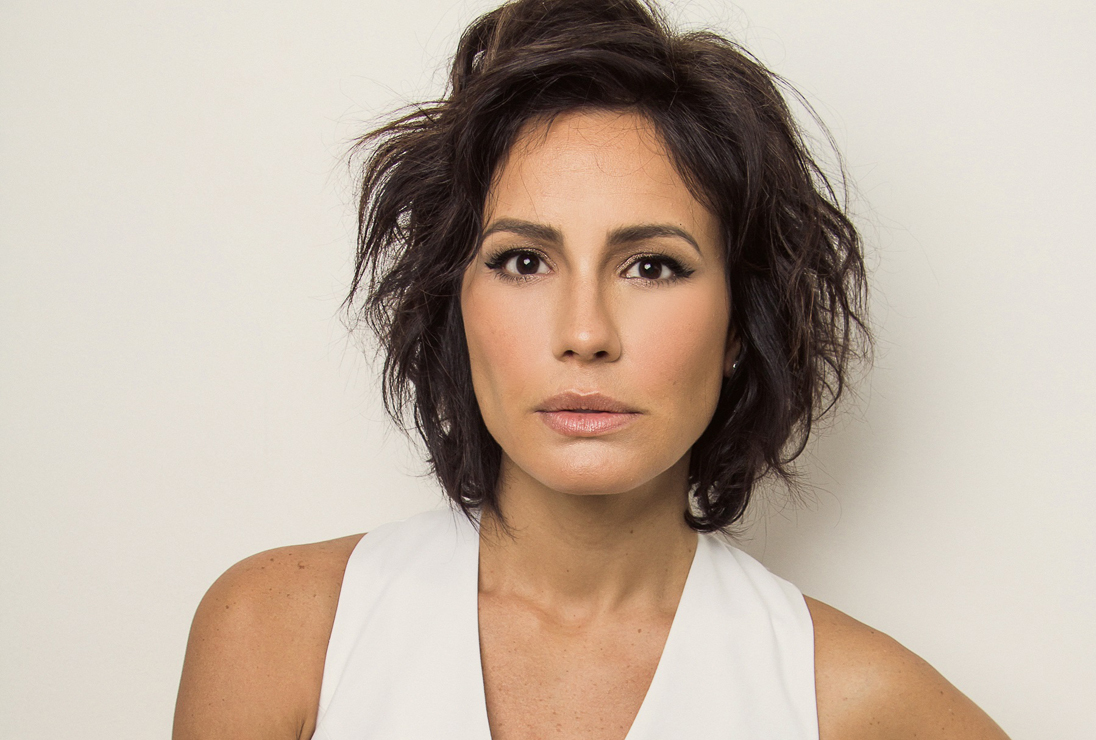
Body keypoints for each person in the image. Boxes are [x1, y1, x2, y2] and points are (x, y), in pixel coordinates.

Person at [173, 0, 1011, 738]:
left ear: (738, 323)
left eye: (652, 266)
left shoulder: (857, 706)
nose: (584, 334)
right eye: (523, 262)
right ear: (454, 302)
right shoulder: (279, 634)